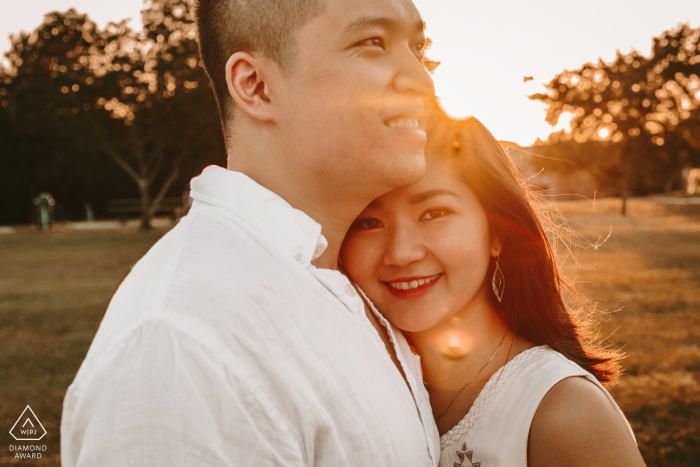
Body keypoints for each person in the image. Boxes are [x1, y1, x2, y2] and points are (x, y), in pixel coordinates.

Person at [60, 0, 439, 465]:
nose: (423, 80)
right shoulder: (180, 350)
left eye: (418, 47)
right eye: (372, 43)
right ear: (255, 86)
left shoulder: (347, 281)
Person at [340, 107, 647, 467]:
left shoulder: (564, 412)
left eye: (434, 213)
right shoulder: (362, 386)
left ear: (497, 231)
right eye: (368, 221)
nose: (401, 253)